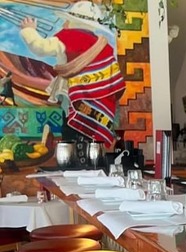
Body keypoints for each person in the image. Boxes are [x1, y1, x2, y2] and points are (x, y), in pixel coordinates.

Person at [18, 1, 125, 146]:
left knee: (70, 130)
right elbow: (114, 81)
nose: (65, 23)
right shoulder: (103, 45)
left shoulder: (69, 37)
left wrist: (29, 30)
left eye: (68, 19)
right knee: (90, 136)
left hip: (73, 97)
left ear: (73, 21)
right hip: (96, 102)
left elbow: (41, 47)